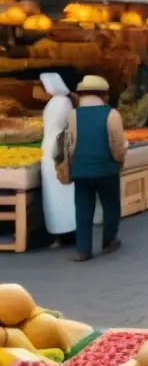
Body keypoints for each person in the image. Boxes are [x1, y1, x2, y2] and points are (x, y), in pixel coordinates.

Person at [66, 76, 127, 261]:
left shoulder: (73, 115)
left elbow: (67, 144)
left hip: (80, 170)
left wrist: (66, 167)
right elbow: (117, 145)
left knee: (83, 208)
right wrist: (119, 160)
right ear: (104, 95)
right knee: (111, 205)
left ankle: (83, 250)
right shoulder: (112, 114)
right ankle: (108, 242)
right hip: (105, 169)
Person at [40, 73, 75, 246]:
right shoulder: (65, 101)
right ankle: (67, 231)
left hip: (52, 149)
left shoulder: (58, 102)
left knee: (55, 195)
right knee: (63, 193)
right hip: (57, 148)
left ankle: (60, 234)